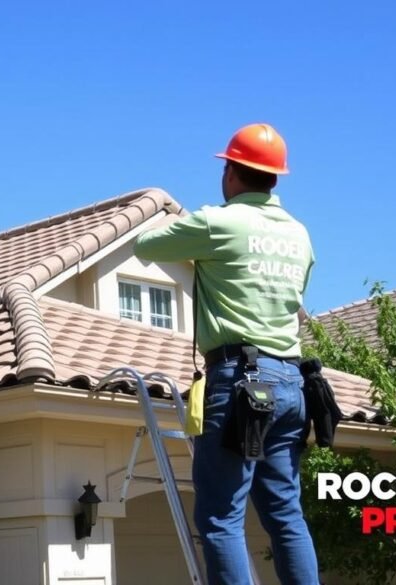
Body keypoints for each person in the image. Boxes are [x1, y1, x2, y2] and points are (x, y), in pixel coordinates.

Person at [133, 123, 319, 584]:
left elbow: (145, 244)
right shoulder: (300, 235)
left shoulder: (219, 222)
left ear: (232, 173)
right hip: (291, 384)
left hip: (241, 380)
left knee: (220, 518)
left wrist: (199, 224)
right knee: (285, 514)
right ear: (275, 177)